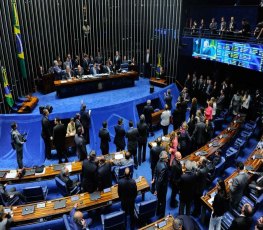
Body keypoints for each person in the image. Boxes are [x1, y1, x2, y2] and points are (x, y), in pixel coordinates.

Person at [152, 151, 169, 218]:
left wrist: (153, 178)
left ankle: (158, 211)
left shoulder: (159, 161)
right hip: (163, 186)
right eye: (166, 157)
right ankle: (162, 215)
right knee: (163, 200)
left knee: (159, 199)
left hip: (159, 186)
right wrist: (156, 190)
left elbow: (155, 169)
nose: (168, 158)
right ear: (163, 158)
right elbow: (160, 180)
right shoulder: (164, 167)